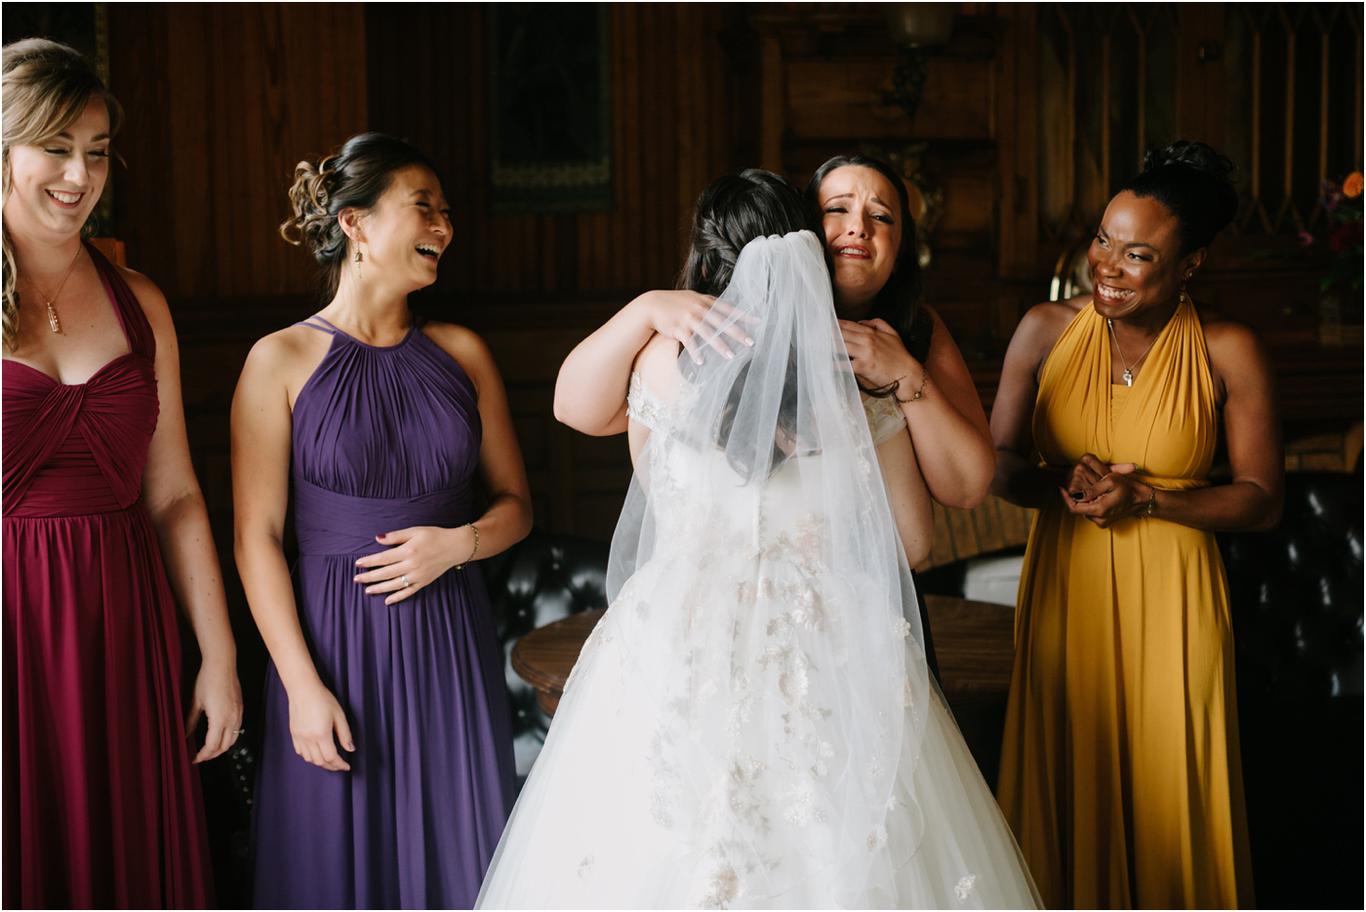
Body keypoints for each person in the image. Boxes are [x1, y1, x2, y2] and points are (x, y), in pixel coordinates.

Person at [477, 170, 1039, 908]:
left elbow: (631, 463)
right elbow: (911, 545)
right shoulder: (859, 386)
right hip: (822, 655)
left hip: (678, 645)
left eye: (878, 216)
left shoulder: (656, 363)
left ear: (709, 261)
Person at [233, 133, 531, 908]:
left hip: (449, 645)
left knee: (460, 858)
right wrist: (301, 686)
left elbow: (517, 507)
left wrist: (458, 544)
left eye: (447, 212)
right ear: (355, 223)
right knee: (336, 866)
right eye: (424, 207)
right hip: (333, 651)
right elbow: (256, 539)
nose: (444, 226)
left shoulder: (462, 354)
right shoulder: (278, 360)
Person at [550, 154, 994, 674]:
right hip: (789, 633)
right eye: (837, 208)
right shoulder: (694, 340)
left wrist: (907, 376)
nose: (858, 226)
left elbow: (964, 490)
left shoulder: (917, 332)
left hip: (857, 621)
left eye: (882, 215)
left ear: (901, 251)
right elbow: (579, 409)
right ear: (799, 234)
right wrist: (645, 308)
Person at [990, 140, 1281, 908]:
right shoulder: (1043, 330)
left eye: (1138, 254)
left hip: (1175, 603)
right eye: (1102, 240)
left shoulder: (1229, 349)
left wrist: (1149, 499)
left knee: (1169, 785)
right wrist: (1058, 481)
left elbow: (1261, 498)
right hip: (1067, 592)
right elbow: (997, 466)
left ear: (1190, 265)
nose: (1107, 266)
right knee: (1067, 769)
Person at [2, 37, 242, 908]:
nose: (80, 175)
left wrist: (218, 655)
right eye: (56, 148)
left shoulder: (139, 302)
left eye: (97, 152)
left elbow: (174, 495)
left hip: (123, 620)